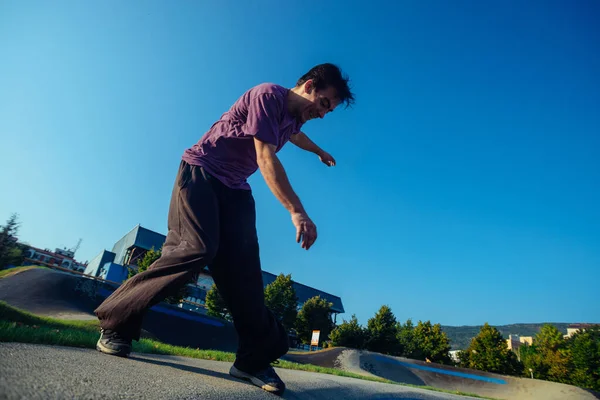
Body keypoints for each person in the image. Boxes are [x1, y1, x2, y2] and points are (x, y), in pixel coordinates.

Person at [93, 63, 355, 395]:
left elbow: (296, 136)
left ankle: (252, 360)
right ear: (308, 85)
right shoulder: (267, 96)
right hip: (201, 173)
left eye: (328, 110)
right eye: (324, 104)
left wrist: (319, 151)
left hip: (234, 188)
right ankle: (116, 322)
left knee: (244, 273)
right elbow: (264, 156)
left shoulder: (293, 119)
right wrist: (297, 211)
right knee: (196, 248)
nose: (322, 113)